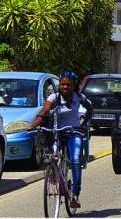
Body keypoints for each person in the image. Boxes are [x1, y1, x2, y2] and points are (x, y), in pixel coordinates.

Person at [28, 70, 93, 208]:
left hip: (74, 132)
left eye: (68, 85)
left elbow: (90, 109)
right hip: (57, 132)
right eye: (62, 84)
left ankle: (75, 194)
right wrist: (32, 126)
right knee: (53, 154)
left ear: (74, 85)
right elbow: (44, 113)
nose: (65, 87)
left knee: (75, 160)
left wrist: (84, 123)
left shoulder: (80, 97)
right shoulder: (53, 98)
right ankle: (54, 173)